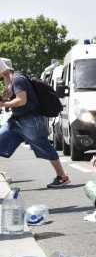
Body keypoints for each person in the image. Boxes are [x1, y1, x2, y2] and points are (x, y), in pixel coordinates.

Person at [0, 58, 70, 188]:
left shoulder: (17, 79)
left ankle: (62, 177)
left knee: (46, 148)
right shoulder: (12, 80)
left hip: (30, 120)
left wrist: (3, 104)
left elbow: (22, 101)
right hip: (17, 121)